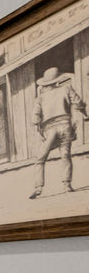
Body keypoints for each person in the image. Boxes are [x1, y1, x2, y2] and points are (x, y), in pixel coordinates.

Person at [29, 66, 89, 199]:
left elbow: (35, 118)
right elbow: (79, 103)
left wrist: (39, 130)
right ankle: (67, 184)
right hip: (65, 126)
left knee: (40, 159)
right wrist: (85, 115)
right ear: (57, 81)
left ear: (45, 84)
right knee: (65, 155)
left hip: (49, 129)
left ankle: (38, 188)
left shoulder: (40, 98)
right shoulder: (66, 89)